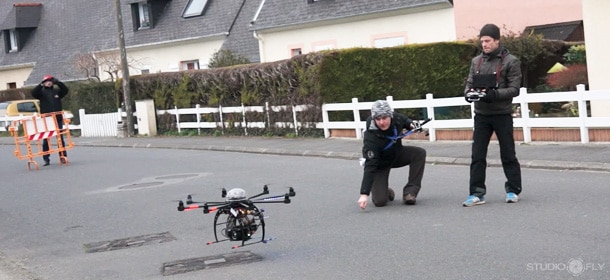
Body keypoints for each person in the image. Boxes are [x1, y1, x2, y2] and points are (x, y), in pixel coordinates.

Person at [462, 24, 522, 207]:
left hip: (502, 114)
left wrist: (494, 95)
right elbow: (470, 83)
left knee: (508, 154)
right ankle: (476, 193)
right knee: (477, 155)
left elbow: (514, 89)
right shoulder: (476, 62)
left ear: (497, 40)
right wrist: (468, 94)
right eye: (482, 41)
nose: (484, 44)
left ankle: (513, 190)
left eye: (488, 41)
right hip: (481, 115)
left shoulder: (511, 61)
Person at [357, 100, 427, 210]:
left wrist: (412, 125)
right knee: (380, 201)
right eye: (378, 119)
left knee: (419, 153)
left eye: (384, 118)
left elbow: (406, 121)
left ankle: (410, 192)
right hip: (380, 163)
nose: (381, 122)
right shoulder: (370, 137)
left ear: (390, 116)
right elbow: (370, 166)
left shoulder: (396, 118)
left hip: (397, 155)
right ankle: (385, 190)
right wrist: (364, 194)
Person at [31, 75, 69, 166]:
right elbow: (33, 93)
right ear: (44, 83)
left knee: (60, 139)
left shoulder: (57, 92)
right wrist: (40, 85)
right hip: (46, 119)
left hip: (57, 118)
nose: (49, 82)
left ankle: (63, 156)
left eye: (50, 81)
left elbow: (65, 90)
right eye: (46, 81)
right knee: (46, 140)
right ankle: (46, 159)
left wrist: (58, 82)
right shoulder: (41, 93)